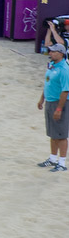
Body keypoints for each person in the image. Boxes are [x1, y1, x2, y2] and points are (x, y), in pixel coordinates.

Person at [37, 43, 69, 172]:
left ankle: (62, 163)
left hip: (59, 103)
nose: (50, 53)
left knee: (61, 134)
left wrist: (59, 109)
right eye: (50, 51)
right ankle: (52, 159)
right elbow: (48, 83)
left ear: (61, 53)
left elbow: (65, 91)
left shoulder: (64, 69)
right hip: (50, 102)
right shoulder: (52, 65)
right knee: (52, 133)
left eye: (53, 51)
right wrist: (42, 99)